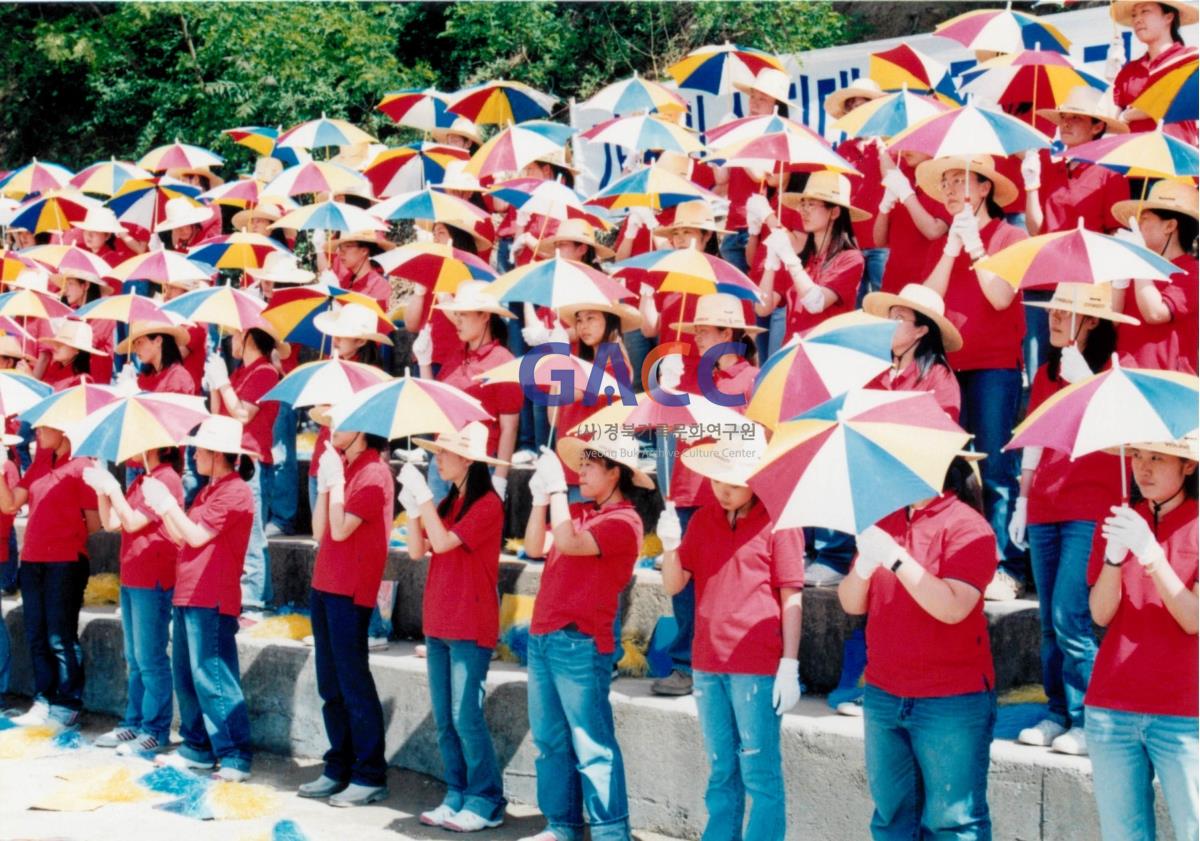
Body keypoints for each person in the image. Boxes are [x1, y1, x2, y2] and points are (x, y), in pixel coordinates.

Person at [838, 455, 999, 841]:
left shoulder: (968, 526)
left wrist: (896, 559)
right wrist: (863, 568)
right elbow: (850, 603)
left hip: (950, 698)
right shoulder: (886, 520)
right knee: (892, 817)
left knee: (953, 822)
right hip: (884, 691)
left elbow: (952, 607)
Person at [657, 428, 803, 841]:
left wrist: (789, 664)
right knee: (722, 768)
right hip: (707, 661)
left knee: (759, 770)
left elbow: (791, 597)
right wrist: (670, 544)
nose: (722, 489)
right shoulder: (703, 518)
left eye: (732, 481)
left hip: (755, 663)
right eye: (717, 479)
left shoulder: (779, 522)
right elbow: (673, 585)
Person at [1010, 283, 1132, 756]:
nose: (1054, 318)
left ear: (1093, 319)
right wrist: (1021, 498)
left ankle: (1087, 718)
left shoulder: (1114, 372)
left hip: (1089, 507)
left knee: (1070, 615)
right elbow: (1035, 437)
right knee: (1047, 621)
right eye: (1053, 309)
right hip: (1045, 504)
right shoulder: (1047, 371)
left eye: (1066, 311)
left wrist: (1090, 387)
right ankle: (1057, 711)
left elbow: (1121, 441)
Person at [519, 432, 649, 841]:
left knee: (591, 744)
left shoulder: (625, 521)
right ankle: (562, 825)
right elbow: (533, 546)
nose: (581, 472)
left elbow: (570, 544)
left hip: (580, 640)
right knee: (549, 740)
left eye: (591, 466)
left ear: (615, 474)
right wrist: (542, 496)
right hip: (544, 634)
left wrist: (556, 491)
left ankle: (611, 832)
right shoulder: (575, 510)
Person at [919, 154, 1028, 601]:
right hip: (949, 366)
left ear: (984, 188)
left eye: (958, 180)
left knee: (997, 470)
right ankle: (962, 558)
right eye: (944, 181)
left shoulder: (1010, 235)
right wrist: (951, 249)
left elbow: (1000, 297)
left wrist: (979, 249)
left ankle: (1005, 564)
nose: (948, 189)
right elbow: (927, 300)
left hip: (995, 365)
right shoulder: (944, 239)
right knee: (953, 467)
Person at [1086, 436, 1198, 841]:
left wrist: (1151, 556)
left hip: (1185, 711)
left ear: (1188, 465)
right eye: (1136, 456)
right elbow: (1100, 613)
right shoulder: (1120, 519)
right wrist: (1114, 558)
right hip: (1111, 704)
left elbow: (1193, 619)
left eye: (1157, 458)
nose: (1143, 468)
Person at [651, 293, 763, 695]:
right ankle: (685, 662)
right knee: (683, 585)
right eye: (695, 330)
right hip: (686, 488)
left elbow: (754, 436)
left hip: (724, 493)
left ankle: (713, 661)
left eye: (704, 331)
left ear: (728, 334)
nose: (696, 338)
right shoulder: (695, 376)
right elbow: (664, 426)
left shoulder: (751, 380)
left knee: (719, 585)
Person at [399, 423, 508, 832]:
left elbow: (443, 544)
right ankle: (457, 792)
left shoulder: (488, 505)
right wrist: (413, 508)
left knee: (467, 717)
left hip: (470, 620)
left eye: (443, 453)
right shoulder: (449, 502)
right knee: (446, 719)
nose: (436, 459)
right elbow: (416, 550)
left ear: (467, 460)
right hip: (440, 619)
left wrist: (423, 498)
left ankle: (487, 799)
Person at [145, 416, 255, 781]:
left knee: (213, 677)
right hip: (191, 591)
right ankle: (197, 746)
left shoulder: (235, 491)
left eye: (198, 451)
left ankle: (234, 755)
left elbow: (194, 536)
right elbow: (183, 537)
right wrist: (164, 508)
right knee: (187, 676)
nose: (192, 457)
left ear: (216, 454)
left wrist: (166, 505)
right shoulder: (209, 491)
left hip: (213, 595)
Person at [297, 425, 393, 807]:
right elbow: (320, 530)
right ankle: (339, 764)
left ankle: (369, 772)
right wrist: (326, 483)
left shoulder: (374, 473)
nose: (332, 431)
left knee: (353, 682)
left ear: (364, 433)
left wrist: (334, 482)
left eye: (343, 425)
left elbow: (340, 529)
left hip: (351, 589)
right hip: (326, 584)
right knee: (330, 685)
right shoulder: (347, 467)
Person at [0, 420, 100, 729]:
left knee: (60, 636)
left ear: (63, 430)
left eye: (43, 429)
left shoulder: (83, 466)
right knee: (37, 635)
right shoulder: (41, 462)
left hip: (66, 561)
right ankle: (44, 697)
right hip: (33, 560)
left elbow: (94, 523)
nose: (37, 434)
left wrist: (64, 531)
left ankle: (67, 702)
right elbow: (10, 503)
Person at [86, 448, 184, 755]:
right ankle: (135, 721)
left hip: (153, 578)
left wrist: (112, 487)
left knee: (150, 657)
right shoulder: (143, 479)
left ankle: (155, 729)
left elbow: (131, 522)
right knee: (134, 656)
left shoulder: (165, 479)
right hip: (132, 577)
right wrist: (103, 491)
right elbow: (111, 522)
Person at [417, 281, 521, 503]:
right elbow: (433, 406)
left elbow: (509, 426)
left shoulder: (503, 361)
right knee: (435, 533)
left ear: (484, 316)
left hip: (478, 465)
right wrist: (424, 363)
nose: (457, 320)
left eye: (464, 314)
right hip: (443, 459)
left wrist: (500, 479)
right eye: (457, 313)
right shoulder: (455, 356)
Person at [204, 327, 281, 616]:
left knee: (252, 535)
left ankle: (254, 602)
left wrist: (222, 383)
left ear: (249, 337)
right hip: (231, 457)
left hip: (252, 460)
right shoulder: (240, 372)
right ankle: (252, 596)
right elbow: (218, 414)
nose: (232, 341)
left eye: (236, 335)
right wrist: (215, 384)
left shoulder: (265, 372)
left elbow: (243, 413)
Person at [757, 172, 868, 344]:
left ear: (835, 212)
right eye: (802, 204)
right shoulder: (802, 257)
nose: (803, 211)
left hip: (824, 355)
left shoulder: (851, 259)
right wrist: (771, 264)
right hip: (792, 353)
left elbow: (816, 303)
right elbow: (762, 308)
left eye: (812, 204)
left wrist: (789, 257)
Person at [1110, 180, 1199, 373]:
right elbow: (1114, 319)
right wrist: (1119, 279)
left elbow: (1155, 313)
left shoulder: (1193, 272)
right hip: (1127, 374)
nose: (1136, 225)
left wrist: (1139, 258)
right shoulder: (1140, 266)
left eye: (1144, 219)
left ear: (1170, 226)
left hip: (1167, 383)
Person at [824, 78, 889, 305]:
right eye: (852, 108)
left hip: (883, 241)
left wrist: (883, 149)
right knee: (853, 305)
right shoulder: (842, 151)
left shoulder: (888, 148)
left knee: (884, 302)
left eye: (863, 106)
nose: (858, 113)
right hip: (851, 243)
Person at [863, 282, 962, 422]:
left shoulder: (938, 376)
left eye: (899, 318)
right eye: (889, 317)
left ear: (921, 331)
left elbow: (944, 432)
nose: (889, 324)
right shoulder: (873, 369)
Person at [1110, 1, 1198, 144]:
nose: (1137, 19)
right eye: (1134, 15)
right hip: (1136, 160)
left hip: (1177, 159)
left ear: (1168, 17)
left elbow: (1167, 103)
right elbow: (1112, 124)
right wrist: (1110, 79)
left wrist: (1127, 115)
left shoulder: (1190, 60)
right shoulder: (1128, 71)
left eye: (1145, 11)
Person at [331, 231, 394, 315]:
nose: (340, 252)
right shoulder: (347, 280)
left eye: (347, 246)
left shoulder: (379, 285)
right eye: (340, 247)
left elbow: (375, 322)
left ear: (364, 251)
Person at [38, 320, 108, 390]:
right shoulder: (55, 367)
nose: (55, 347)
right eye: (56, 343)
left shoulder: (82, 381)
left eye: (60, 344)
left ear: (77, 350)